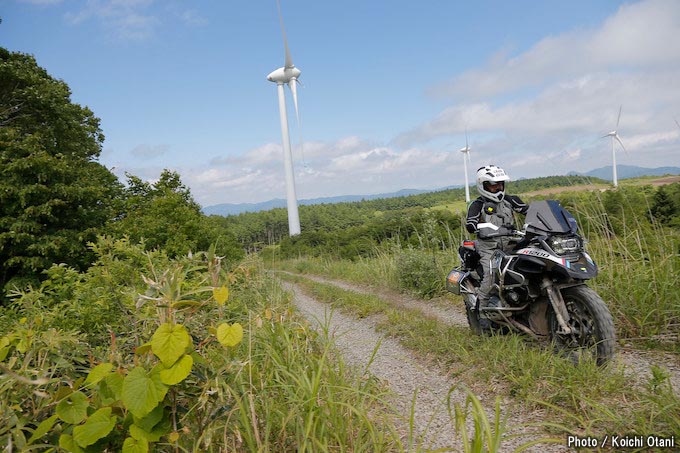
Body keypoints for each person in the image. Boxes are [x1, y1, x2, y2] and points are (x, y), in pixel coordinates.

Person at [465, 165, 528, 309]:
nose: (498, 188)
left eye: (500, 184)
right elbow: (471, 223)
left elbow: (527, 210)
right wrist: (478, 227)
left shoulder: (510, 200)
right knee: (491, 273)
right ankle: (481, 311)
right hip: (489, 248)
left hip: (511, 244)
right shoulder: (477, 205)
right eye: (494, 185)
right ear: (483, 186)